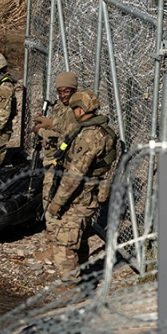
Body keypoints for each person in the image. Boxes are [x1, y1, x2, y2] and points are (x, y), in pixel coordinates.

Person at [45, 90, 118, 278]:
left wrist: (56, 203)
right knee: (81, 237)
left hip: (81, 196)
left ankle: (71, 289)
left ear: (79, 110)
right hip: (89, 193)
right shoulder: (99, 129)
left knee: (63, 243)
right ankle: (84, 274)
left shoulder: (89, 136)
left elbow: (74, 176)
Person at [31, 72, 80, 211]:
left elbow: (67, 135)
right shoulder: (60, 106)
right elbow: (54, 125)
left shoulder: (75, 110)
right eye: (60, 92)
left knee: (50, 192)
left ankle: (50, 220)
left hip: (63, 158)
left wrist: (41, 131)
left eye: (66, 91)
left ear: (74, 90)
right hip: (52, 155)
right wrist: (43, 122)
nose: (63, 95)